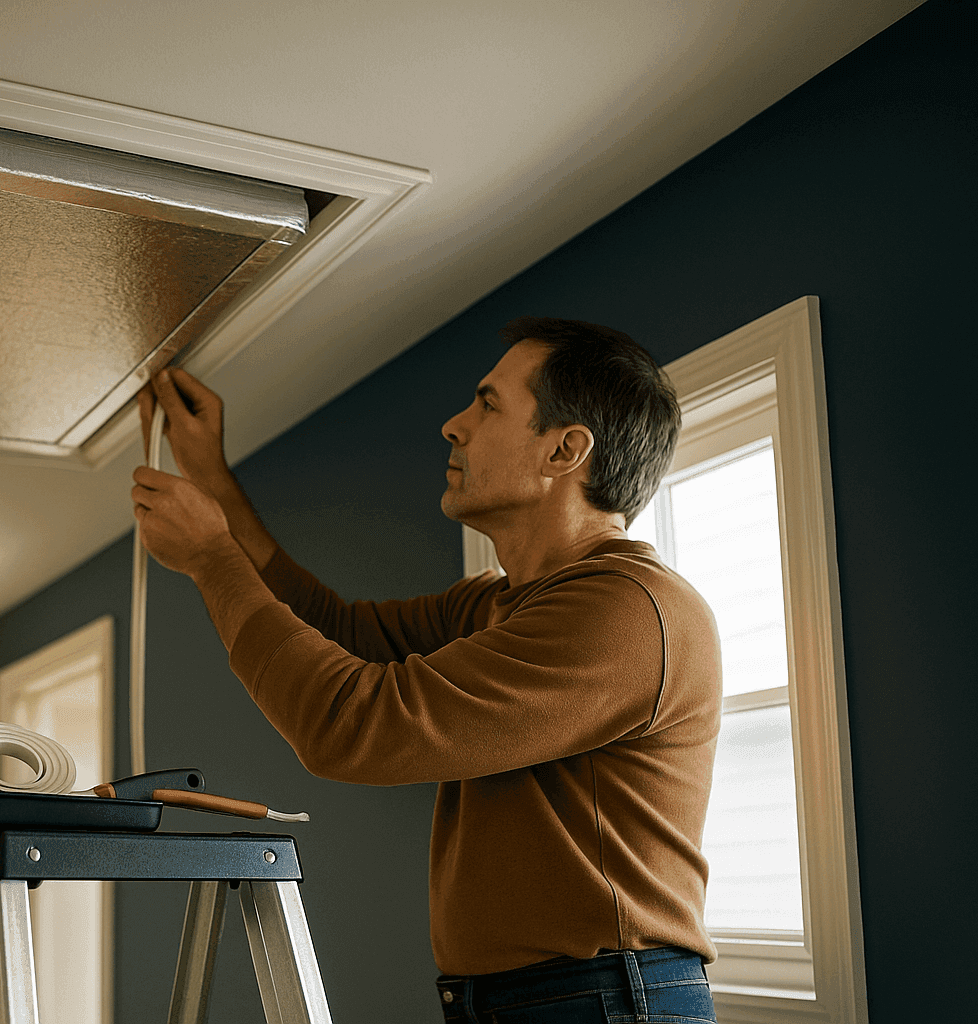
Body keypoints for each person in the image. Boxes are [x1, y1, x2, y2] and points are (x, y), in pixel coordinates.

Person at [130, 317, 722, 1022]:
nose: (453, 425)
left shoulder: (625, 610)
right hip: (538, 1000)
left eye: (487, 404)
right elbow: (337, 634)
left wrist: (211, 559)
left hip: (602, 1002)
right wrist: (212, 483)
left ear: (564, 450)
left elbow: (354, 726)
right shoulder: (498, 603)